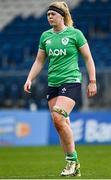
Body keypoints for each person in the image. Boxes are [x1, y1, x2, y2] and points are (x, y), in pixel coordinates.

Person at [24, 1, 97, 177]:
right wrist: (29, 78)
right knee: (61, 124)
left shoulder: (75, 34)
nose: (49, 17)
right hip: (53, 84)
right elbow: (39, 61)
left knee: (58, 117)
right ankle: (74, 164)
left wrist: (92, 80)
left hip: (71, 81)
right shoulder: (45, 37)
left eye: (53, 14)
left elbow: (88, 58)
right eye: (48, 14)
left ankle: (71, 161)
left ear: (62, 16)